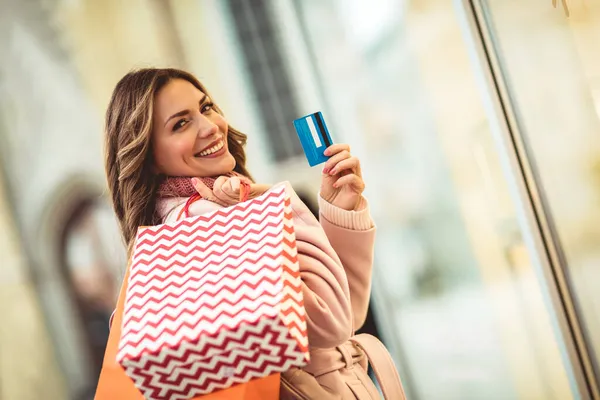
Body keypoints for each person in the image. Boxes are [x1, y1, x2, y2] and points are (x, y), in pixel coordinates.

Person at [104, 68, 379, 398]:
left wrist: (338, 211)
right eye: (180, 123)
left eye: (205, 108)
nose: (210, 127)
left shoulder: (189, 221)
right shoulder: (205, 225)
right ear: (149, 159)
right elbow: (333, 322)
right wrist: (279, 205)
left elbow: (343, 318)